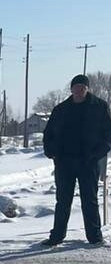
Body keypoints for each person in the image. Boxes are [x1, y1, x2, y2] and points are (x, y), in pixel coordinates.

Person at [42, 74, 111, 246]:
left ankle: (95, 237)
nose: (79, 90)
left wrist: (98, 153)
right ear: (71, 89)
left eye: (83, 87)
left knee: (90, 200)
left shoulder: (99, 107)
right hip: (65, 163)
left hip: (89, 162)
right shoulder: (61, 109)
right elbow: (48, 135)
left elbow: (108, 135)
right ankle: (56, 236)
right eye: (76, 87)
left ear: (87, 89)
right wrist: (52, 153)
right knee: (63, 201)